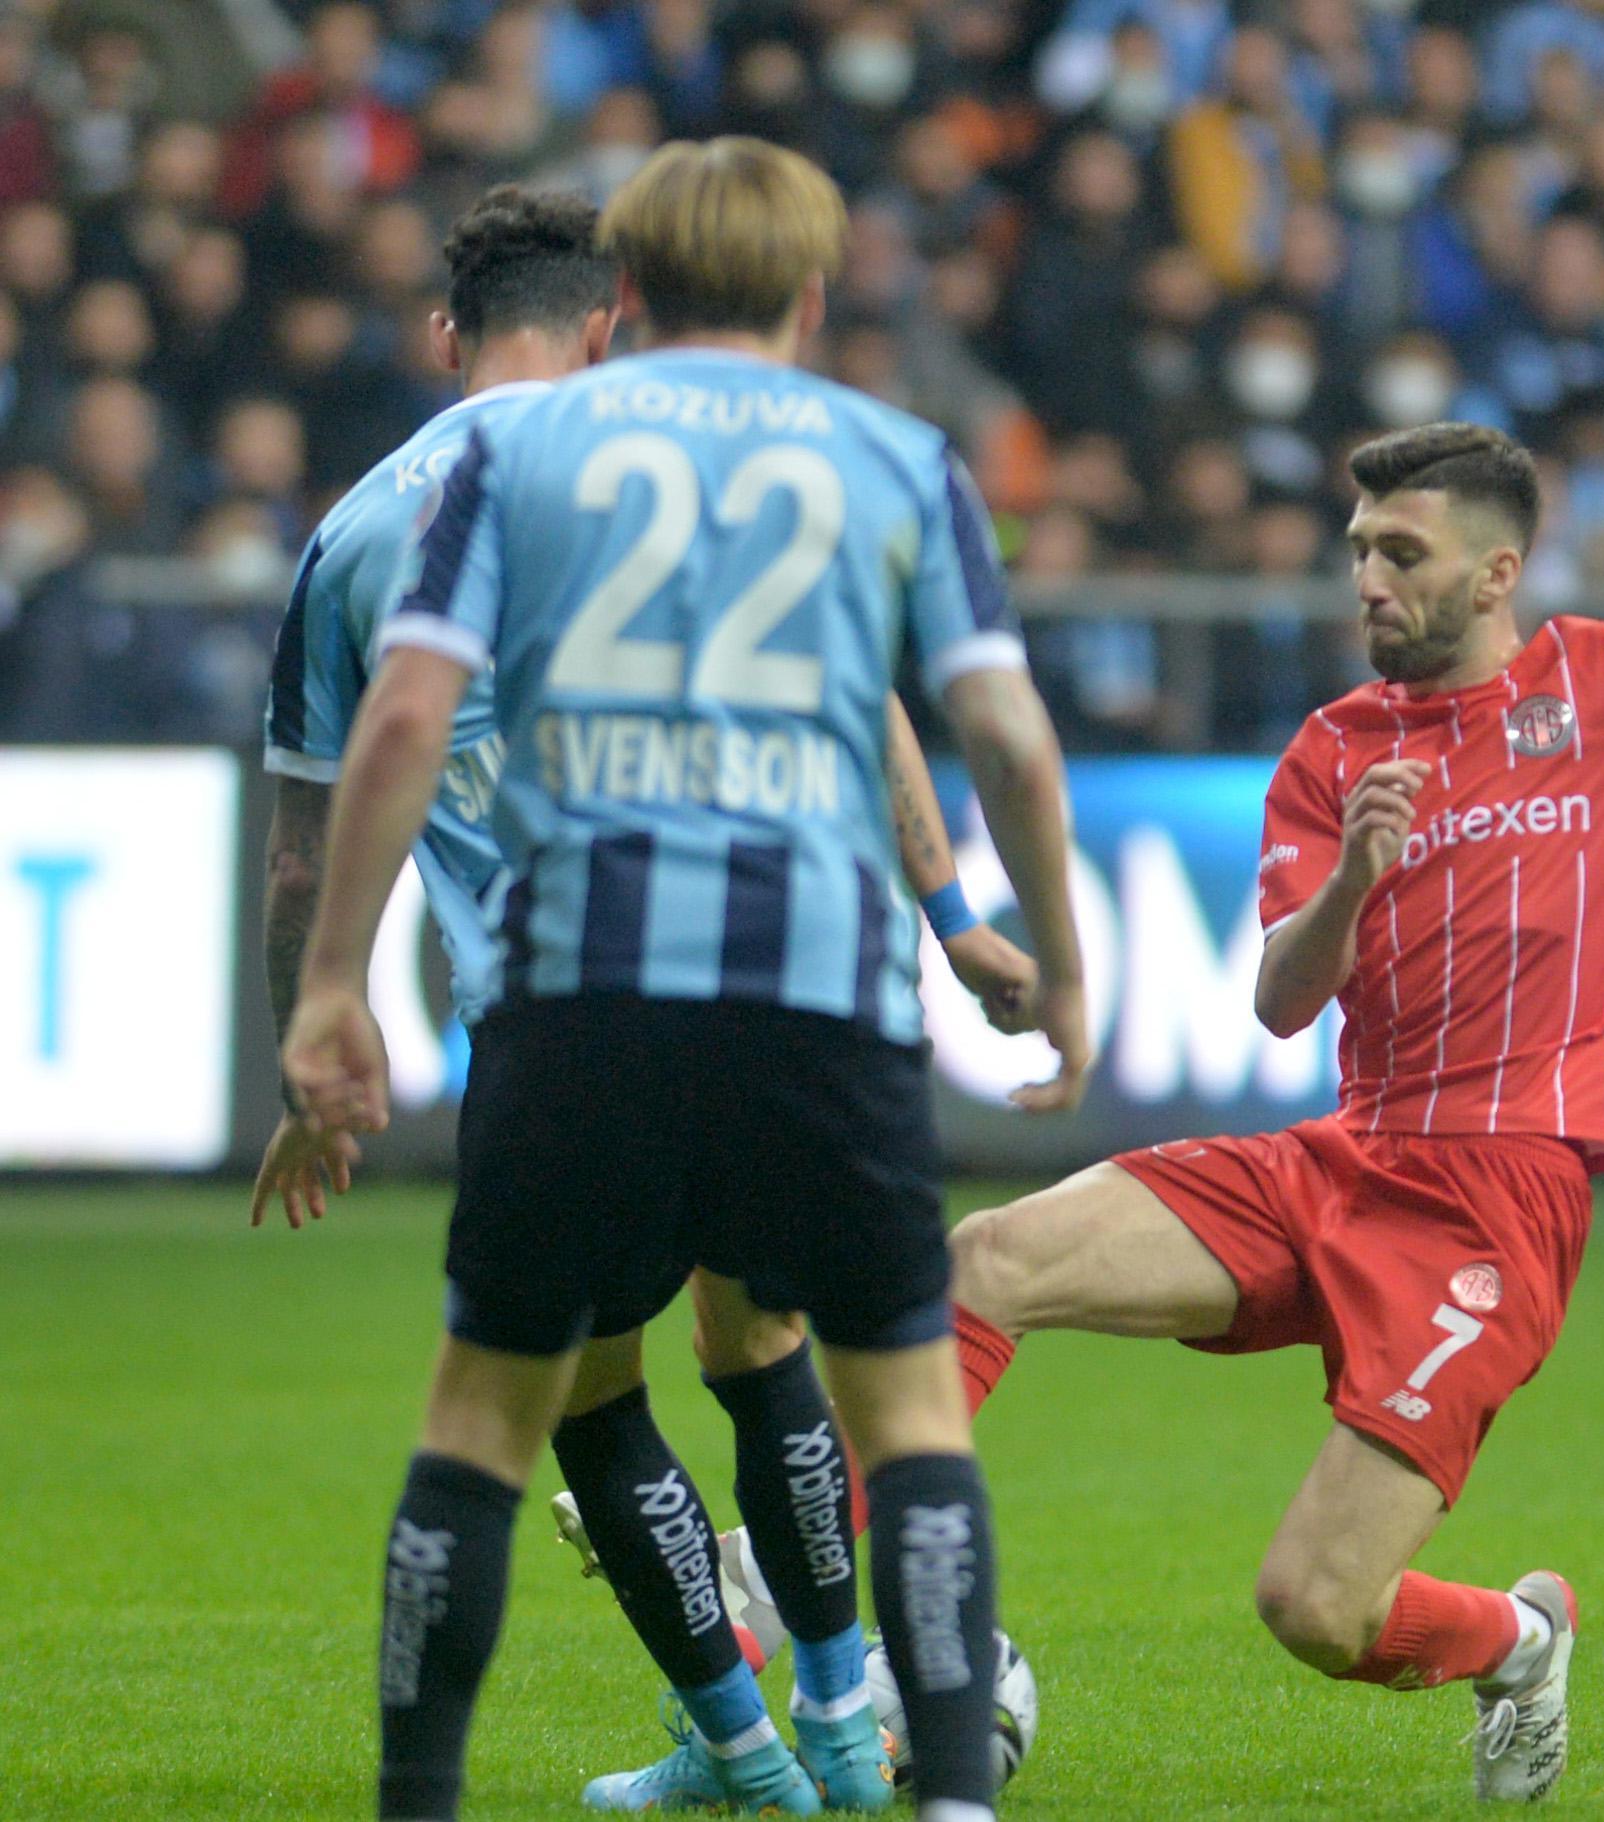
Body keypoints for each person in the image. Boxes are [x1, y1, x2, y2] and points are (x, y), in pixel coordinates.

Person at [706, 287, 1604, 1801]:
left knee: (1313, 1610)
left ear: (1497, 570)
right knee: (983, 1259)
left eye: (1399, 553)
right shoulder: (1335, 747)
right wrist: (1352, 876)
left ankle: (1518, 1638)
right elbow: (1281, 997)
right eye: (1356, 553)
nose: (1366, 581)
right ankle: (818, 1589)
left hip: (1497, 1200)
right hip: (1340, 1157)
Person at [280, 138, 1089, 1822]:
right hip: (815, 990)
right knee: (896, 1404)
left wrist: (327, 991)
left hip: (564, 987)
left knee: (488, 1424)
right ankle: (911, 1773)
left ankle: (459, 1791)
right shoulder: (888, 453)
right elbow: (989, 727)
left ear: (629, 299)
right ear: (807, 294)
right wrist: (1035, 959)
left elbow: (408, 721)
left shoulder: (498, 468)